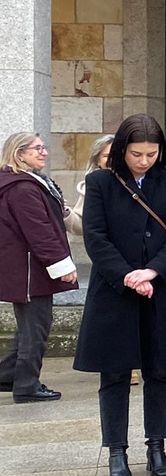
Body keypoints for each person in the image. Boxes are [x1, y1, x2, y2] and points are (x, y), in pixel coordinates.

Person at [74, 114, 166, 476]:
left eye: (151, 154)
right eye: (135, 154)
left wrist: (153, 271)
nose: (143, 161)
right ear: (121, 151)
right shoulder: (101, 182)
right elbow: (96, 237)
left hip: (163, 288)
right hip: (115, 290)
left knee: (160, 370)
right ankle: (117, 450)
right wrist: (128, 275)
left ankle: (156, 446)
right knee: (114, 372)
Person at [0, 133, 78, 403]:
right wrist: (62, 266)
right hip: (30, 270)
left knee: (29, 328)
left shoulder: (23, 183)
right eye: (37, 148)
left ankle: (7, 375)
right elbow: (40, 232)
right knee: (36, 328)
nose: (44, 152)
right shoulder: (23, 188)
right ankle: (26, 386)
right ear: (19, 153)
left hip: (27, 268)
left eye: (43, 147)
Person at [66, 133, 113, 236]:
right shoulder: (91, 187)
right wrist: (65, 211)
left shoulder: (137, 183)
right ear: (97, 161)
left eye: (117, 156)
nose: (112, 160)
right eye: (106, 156)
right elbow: (81, 225)